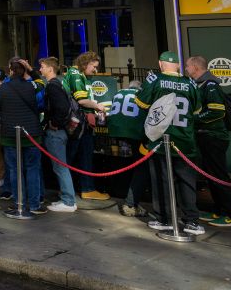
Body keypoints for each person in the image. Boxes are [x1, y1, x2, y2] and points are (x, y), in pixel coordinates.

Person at [136, 51, 205, 236]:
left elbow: (141, 103)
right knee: (187, 181)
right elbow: (197, 110)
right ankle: (192, 220)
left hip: (161, 139)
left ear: (160, 64)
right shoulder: (190, 83)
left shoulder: (154, 80)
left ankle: (164, 219)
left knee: (162, 180)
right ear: (178, 66)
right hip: (185, 140)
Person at [187, 55, 231, 227]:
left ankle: (230, 214)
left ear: (195, 67)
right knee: (211, 175)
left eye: (188, 66)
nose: (186, 69)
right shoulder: (201, 84)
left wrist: (194, 118)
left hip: (214, 137)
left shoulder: (210, 85)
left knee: (219, 175)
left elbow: (217, 111)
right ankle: (219, 210)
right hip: (206, 136)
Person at [62, 52, 112, 201]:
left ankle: (87, 188)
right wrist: (99, 107)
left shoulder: (83, 75)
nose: (96, 70)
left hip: (84, 123)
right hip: (77, 123)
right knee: (71, 156)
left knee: (85, 155)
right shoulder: (76, 74)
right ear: (85, 63)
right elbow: (82, 100)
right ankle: (68, 191)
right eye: (94, 66)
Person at [0, 57, 45, 218]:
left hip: (10, 134)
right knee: (32, 169)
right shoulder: (32, 86)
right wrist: (30, 70)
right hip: (32, 133)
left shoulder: (3, 88)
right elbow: (41, 82)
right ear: (24, 71)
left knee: (14, 170)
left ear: (10, 71)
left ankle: (19, 203)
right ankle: (34, 204)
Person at [38, 57, 79, 213]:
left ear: (50, 69)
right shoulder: (58, 84)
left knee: (61, 167)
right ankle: (66, 198)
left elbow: (61, 108)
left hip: (56, 132)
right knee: (60, 167)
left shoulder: (53, 86)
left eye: (42, 67)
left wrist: (54, 123)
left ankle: (69, 201)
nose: (40, 69)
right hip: (59, 131)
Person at [105, 80, 150, 217]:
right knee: (142, 168)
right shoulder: (142, 93)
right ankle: (131, 204)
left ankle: (130, 200)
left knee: (132, 164)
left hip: (115, 133)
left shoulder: (119, 93)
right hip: (136, 133)